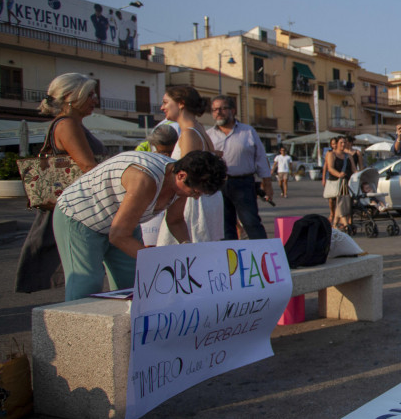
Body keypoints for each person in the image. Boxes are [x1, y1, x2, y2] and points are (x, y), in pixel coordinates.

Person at [53, 150, 227, 301]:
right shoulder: (145, 180)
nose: (196, 197)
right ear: (182, 176)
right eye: (196, 192)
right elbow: (119, 236)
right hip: (81, 217)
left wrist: (187, 248)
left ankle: (125, 334)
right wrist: (159, 261)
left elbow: (175, 220)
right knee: (86, 285)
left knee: (134, 284)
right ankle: (76, 337)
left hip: (122, 223)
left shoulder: (179, 182)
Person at [15, 73, 103, 293]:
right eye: (90, 94)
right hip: (78, 209)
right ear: (70, 97)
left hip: (76, 206)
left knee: (86, 273)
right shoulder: (67, 125)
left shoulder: (72, 124)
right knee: (85, 275)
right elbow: (88, 166)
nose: (95, 99)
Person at [156, 86, 223, 245]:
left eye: (166, 102)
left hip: (192, 199)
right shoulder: (199, 128)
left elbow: (187, 173)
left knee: (186, 248)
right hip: (206, 197)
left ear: (181, 104)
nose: (162, 107)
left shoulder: (189, 133)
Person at [206, 95, 272, 240]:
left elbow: (261, 157)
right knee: (224, 226)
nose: (218, 112)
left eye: (223, 108)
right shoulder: (208, 135)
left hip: (243, 184)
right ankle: (230, 259)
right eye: (215, 109)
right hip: (217, 186)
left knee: (251, 223)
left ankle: (262, 255)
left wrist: (267, 183)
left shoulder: (248, 132)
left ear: (233, 110)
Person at [323, 136, 354, 227]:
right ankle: (338, 220)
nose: (343, 144)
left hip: (346, 183)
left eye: (344, 142)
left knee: (342, 202)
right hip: (335, 181)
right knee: (335, 202)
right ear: (336, 144)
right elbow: (330, 168)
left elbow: (354, 169)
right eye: (341, 142)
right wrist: (339, 174)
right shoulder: (331, 154)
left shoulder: (348, 156)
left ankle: (337, 223)